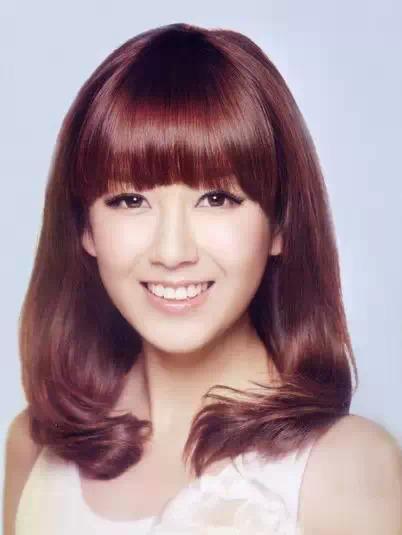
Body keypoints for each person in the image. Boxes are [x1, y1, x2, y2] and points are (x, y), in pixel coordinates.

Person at [3, 22, 401, 535]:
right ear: (85, 227)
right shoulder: (34, 449)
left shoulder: (349, 469)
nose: (172, 252)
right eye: (130, 200)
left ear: (280, 224)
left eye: (217, 199)